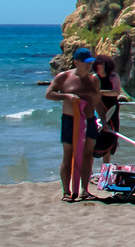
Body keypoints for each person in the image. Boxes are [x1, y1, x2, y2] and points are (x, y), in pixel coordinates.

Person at [45, 47, 102, 201]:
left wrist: (105, 121)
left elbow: (97, 101)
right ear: (76, 62)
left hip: (89, 121)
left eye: (90, 63)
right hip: (70, 120)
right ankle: (66, 192)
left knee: (87, 155)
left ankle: (84, 190)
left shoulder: (94, 79)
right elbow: (49, 94)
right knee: (68, 155)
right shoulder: (64, 77)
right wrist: (66, 96)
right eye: (85, 63)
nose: (88, 66)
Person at [91, 54, 123, 168]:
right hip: (97, 107)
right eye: (98, 67)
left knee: (110, 136)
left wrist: (102, 92)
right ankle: (89, 170)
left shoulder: (113, 76)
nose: (100, 69)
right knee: (94, 137)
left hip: (111, 108)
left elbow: (116, 92)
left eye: (102, 67)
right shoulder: (94, 77)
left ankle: (106, 167)